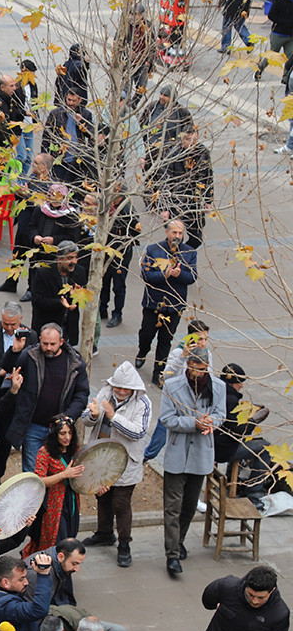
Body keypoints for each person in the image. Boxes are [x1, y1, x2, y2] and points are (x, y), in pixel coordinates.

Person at [160, 346, 225, 576]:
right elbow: (167, 419)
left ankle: (179, 540)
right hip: (177, 455)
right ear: (188, 366)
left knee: (188, 506)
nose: (201, 374)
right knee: (172, 507)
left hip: (201, 455)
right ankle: (172, 555)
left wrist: (210, 423)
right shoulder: (171, 386)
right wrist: (193, 424)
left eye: (204, 369)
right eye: (197, 369)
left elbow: (221, 415)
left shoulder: (218, 386)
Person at [80, 362, 152, 567]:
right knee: (102, 496)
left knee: (121, 503)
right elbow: (87, 419)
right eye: (117, 387)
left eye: (124, 388)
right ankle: (104, 532)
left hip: (126, 461)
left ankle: (124, 544)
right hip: (102, 457)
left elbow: (138, 432)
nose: (120, 391)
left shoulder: (143, 403)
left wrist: (113, 416)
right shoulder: (104, 393)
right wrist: (93, 415)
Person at [7, 324, 89, 475]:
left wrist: (67, 418)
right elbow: (8, 370)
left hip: (60, 430)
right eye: (45, 344)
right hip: (33, 427)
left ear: (62, 342)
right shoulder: (29, 356)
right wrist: (14, 352)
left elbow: (82, 394)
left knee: (58, 472)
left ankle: (51, 499)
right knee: (32, 474)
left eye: (53, 344)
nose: (49, 348)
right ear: (39, 340)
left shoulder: (75, 363)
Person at [137, 220, 197, 386]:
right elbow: (147, 276)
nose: (177, 236)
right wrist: (165, 274)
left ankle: (158, 372)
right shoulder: (153, 249)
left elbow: (192, 277)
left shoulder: (189, 252)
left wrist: (179, 274)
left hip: (174, 305)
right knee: (146, 334)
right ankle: (143, 351)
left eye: (180, 233)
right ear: (167, 233)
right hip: (153, 304)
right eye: (174, 233)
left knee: (165, 340)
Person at [21, 415, 82, 555]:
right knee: (56, 539)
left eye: (70, 433)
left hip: (71, 500)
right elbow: (39, 480)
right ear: (55, 434)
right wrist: (63, 475)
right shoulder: (45, 452)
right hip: (53, 503)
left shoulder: (75, 450)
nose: (67, 437)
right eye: (63, 433)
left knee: (70, 537)